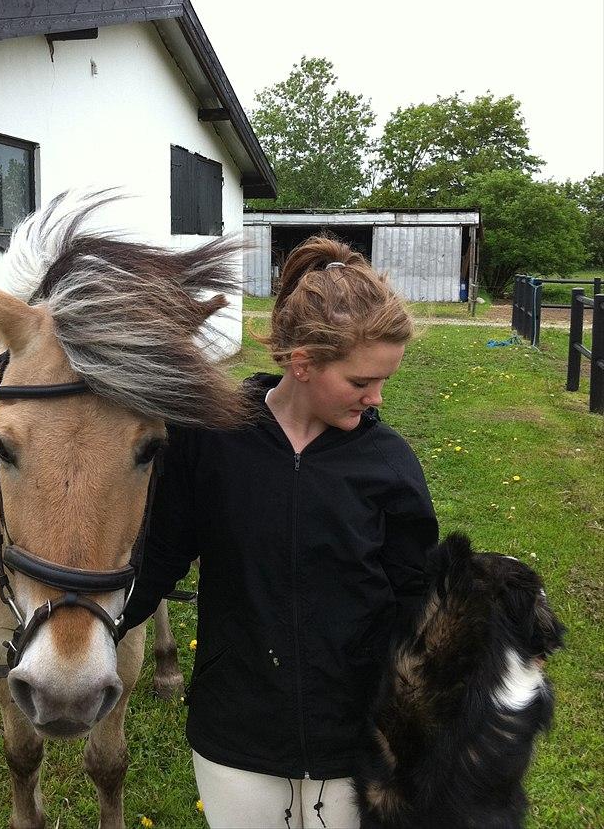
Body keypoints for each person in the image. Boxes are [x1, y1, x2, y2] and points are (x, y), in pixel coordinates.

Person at [121, 235, 439, 829]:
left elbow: (415, 599)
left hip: (354, 737)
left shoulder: (390, 464)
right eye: (360, 381)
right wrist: (92, 625)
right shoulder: (211, 439)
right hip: (235, 733)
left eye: (384, 382)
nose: (376, 399)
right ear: (302, 362)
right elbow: (161, 553)